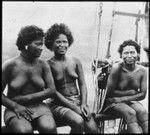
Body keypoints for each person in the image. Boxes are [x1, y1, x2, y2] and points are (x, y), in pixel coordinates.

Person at [2, 25, 57, 133]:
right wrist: (15, 105)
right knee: (24, 131)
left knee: (49, 128)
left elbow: (52, 90)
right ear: (26, 44)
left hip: (40, 106)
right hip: (15, 109)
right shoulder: (10, 65)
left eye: (42, 44)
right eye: (38, 44)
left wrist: (27, 98)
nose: (42, 47)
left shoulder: (43, 64)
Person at [44, 23, 99, 133]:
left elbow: (82, 84)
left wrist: (83, 104)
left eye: (65, 41)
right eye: (58, 42)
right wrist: (73, 107)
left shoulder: (75, 61)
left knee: (93, 130)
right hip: (58, 104)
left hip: (77, 101)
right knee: (78, 122)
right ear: (51, 44)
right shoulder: (47, 65)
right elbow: (53, 91)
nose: (62, 45)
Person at [103, 39, 148, 133]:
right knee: (130, 113)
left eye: (132, 52)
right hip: (113, 103)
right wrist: (130, 92)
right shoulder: (117, 68)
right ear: (121, 55)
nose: (129, 56)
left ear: (138, 54)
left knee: (143, 112)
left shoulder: (143, 71)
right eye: (126, 53)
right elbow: (110, 92)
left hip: (127, 101)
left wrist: (122, 98)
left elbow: (143, 94)